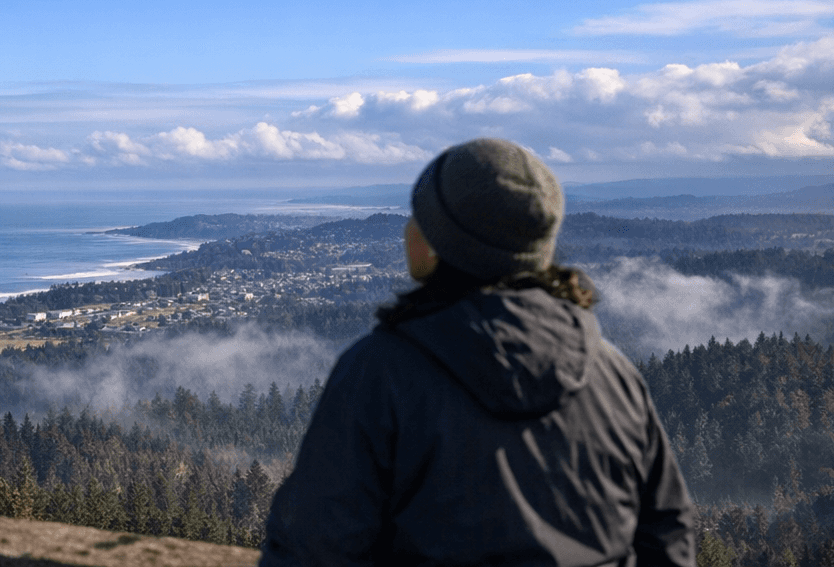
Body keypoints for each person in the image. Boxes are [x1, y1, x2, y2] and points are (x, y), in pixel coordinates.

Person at [260, 138, 695, 567]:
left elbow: (313, 547)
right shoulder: (611, 373)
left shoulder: (382, 372)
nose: (408, 227)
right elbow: (667, 533)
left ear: (436, 246)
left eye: (419, 217)